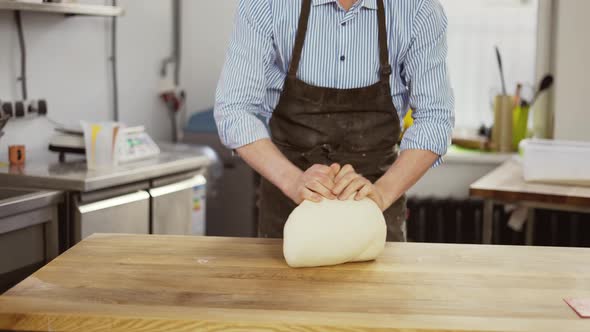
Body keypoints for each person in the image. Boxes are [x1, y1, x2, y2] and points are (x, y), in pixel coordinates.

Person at [215, 0, 454, 241]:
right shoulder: (266, 6)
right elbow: (235, 110)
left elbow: (435, 118)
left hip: (376, 212)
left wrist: (381, 193)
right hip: (287, 209)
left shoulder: (419, 11)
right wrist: (293, 180)